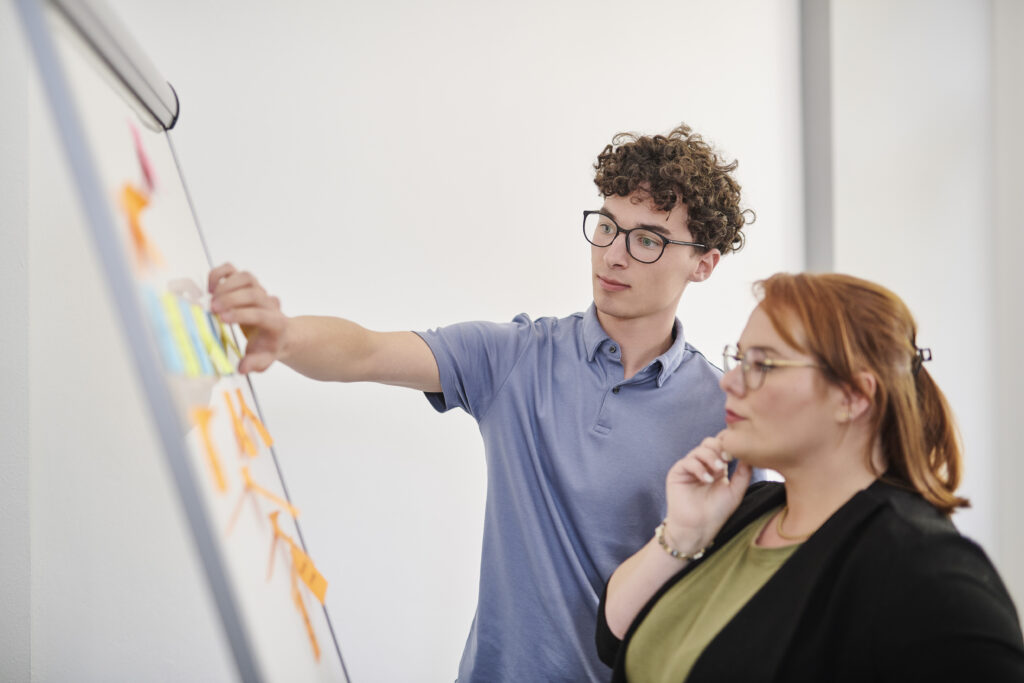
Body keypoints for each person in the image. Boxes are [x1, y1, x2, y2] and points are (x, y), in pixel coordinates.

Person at [208, 123, 754, 682]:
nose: (612, 255)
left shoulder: (731, 411)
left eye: (647, 239)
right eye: (607, 226)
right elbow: (364, 352)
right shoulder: (515, 356)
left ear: (703, 263)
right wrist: (285, 335)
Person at [597, 272, 1024, 682]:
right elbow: (613, 639)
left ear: (854, 397)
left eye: (762, 364)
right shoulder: (748, 509)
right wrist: (681, 536)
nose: (729, 381)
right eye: (740, 358)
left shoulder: (927, 571)